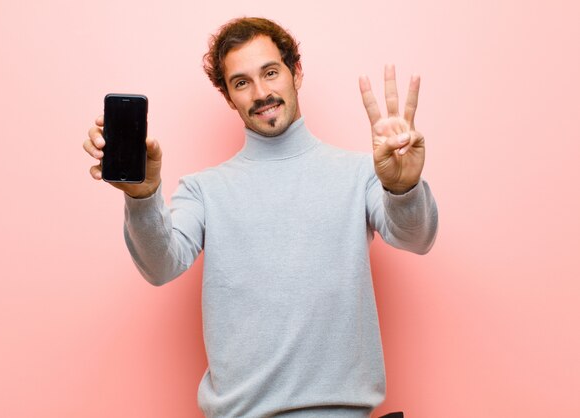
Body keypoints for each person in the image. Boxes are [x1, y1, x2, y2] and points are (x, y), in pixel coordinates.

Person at [83, 17, 437, 418]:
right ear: (229, 96)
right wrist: (144, 196)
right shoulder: (204, 190)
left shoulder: (360, 174)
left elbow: (416, 237)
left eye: (270, 72)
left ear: (295, 72)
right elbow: (160, 266)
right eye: (241, 82)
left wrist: (404, 188)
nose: (261, 92)